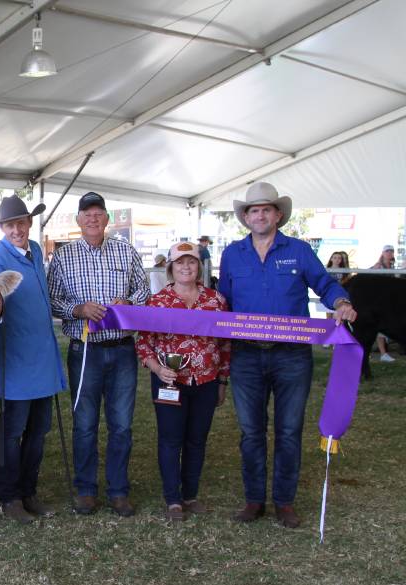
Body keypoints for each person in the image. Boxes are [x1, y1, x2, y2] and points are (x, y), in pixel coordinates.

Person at [218, 182, 356, 528]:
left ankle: (284, 501)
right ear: (245, 218)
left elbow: (324, 284)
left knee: (289, 430)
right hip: (246, 355)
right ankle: (254, 500)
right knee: (251, 431)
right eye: (254, 210)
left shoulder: (300, 250)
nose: (260, 215)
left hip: (292, 355)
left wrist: (341, 302)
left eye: (266, 209)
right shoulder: (232, 254)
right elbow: (222, 302)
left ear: (278, 215)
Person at [46, 192, 150, 517]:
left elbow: (144, 290)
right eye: (86, 214)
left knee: (121, 425)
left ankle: (119, 491)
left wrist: (130, 305)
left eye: (98, 213)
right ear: (78, 221)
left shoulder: (126, 250)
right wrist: (77, 309)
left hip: (121, 351)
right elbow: (52, 300)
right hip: (85, 351)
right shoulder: (63, 258)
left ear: (107, 219)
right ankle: (86, 489)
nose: (92, 218)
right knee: (85, 424)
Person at [0, 197, 67, 524]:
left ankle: (29, 491)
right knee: (12, 431)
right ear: (2, 229)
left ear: (29, 223)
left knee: (38, 430)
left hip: (43, 356)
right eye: (10, 225)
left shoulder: (35, 248)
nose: (17, 230)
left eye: (22, 222)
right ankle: (9, 496)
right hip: (16, 359)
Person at [136, 242, 230, 522]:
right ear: (171, 268)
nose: (186, 267)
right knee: (170, 439)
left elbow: (225, 343)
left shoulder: (216, 301)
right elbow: (144, 342)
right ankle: (173, 499)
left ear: (199, 266)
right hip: (169, 381)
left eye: (191, 262)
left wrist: (222, 380)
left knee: (196, 440)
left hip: (206, 381)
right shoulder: (158, 301)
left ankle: (190, 494)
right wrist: (157, 368)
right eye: (180, 263)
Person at [368, 246, 398, 362]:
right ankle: (383, 354)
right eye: (387, 251)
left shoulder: (393, 267)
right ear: (383, 253)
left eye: (391, 251)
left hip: (389, 301)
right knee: (380, 326)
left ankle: (381, 352)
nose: (390, 253)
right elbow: (367, 277)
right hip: (378, 301)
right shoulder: (378, 266)